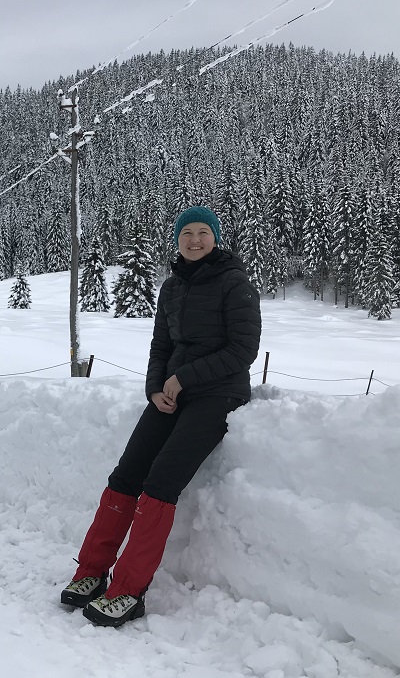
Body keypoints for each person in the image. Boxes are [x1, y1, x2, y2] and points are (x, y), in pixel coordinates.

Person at [61, 205, 261, 627]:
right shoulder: (171, 286)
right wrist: (155, 387)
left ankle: (128, 591)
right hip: (171, 393)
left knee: (160, 483)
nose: (194, 240)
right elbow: (161, 347)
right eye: (186, 232)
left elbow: (243, 350)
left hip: (218, 393)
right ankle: (91, 571)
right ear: (177, 239)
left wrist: (184, 377)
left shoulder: (235, 282)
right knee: (126, 475)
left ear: (215, 237)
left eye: (203, 232)